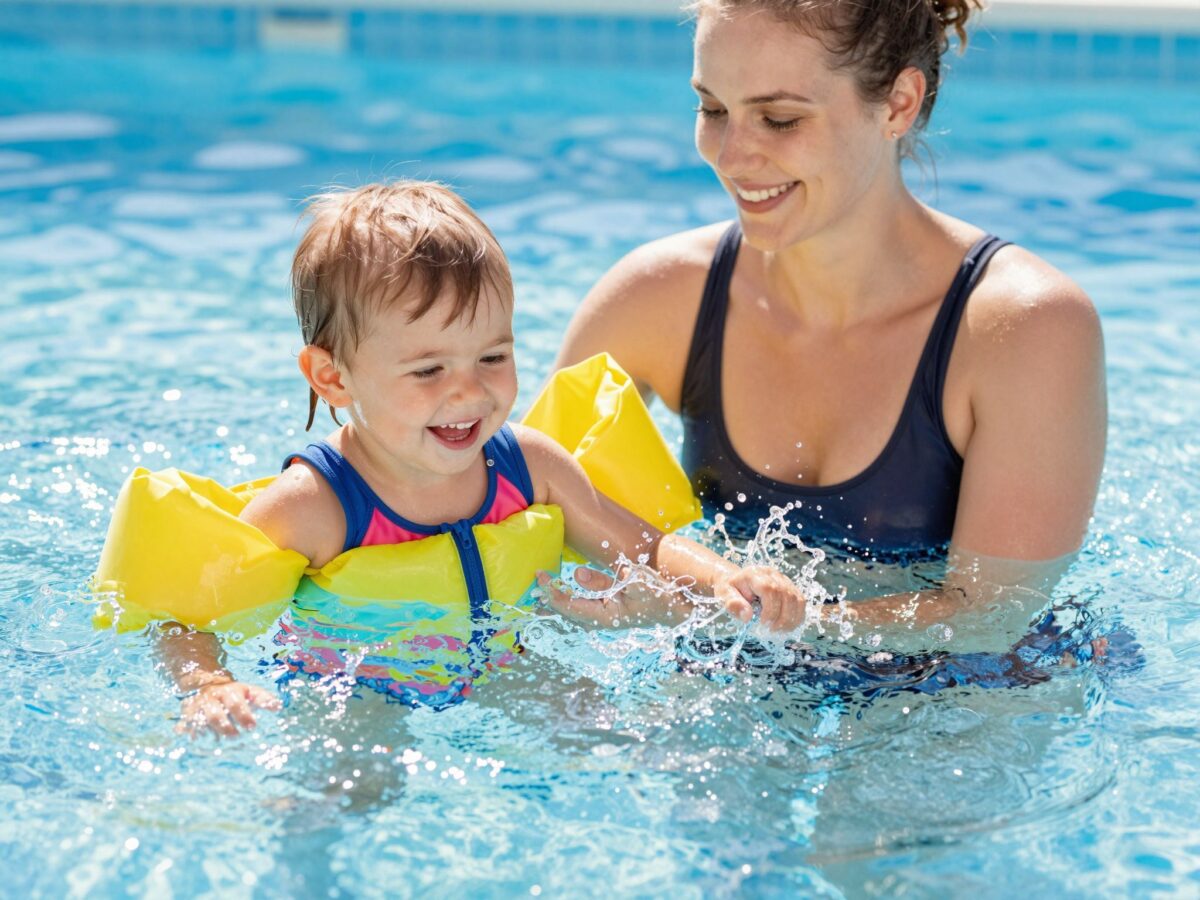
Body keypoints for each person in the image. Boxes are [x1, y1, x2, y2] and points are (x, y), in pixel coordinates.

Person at [159, 181, 806, 737]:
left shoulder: (529, 467)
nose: (469, 393)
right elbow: (185, 616)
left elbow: (644, 549)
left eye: (492, 357)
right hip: (350, 691)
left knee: (613, 737)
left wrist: (727, 578)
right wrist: (208, 684)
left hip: (501, 666)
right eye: (429, 370)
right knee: (345, 794)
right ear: (333, 377)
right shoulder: (315, 505)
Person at [553, 0, 1106, 630]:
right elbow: (524, 501)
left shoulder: (1023, 329)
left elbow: (991, 618)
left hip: (956, 685)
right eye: (713, 110)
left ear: (898, 104)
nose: (731, 156)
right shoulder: (655, 299)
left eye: (780, 119)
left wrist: (706, 610)